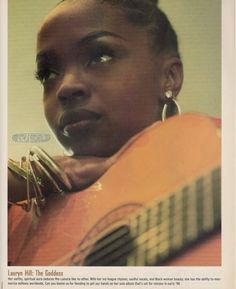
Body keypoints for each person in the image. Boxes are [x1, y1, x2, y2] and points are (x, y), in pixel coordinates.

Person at [8, 0, 220, 266]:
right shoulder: (18, 218)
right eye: (48, 74)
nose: (66, 87)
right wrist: (29, 177)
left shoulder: (218, 150)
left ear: (169, 77)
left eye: (100, 57)